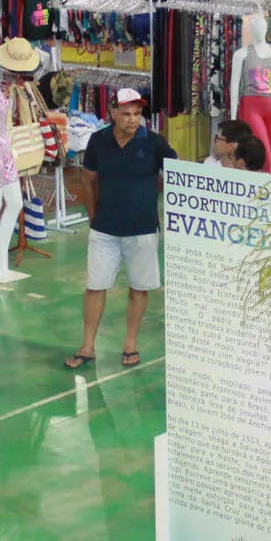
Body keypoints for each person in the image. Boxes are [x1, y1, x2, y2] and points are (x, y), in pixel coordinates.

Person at [66, 87, 176, 372]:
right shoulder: (98, 141)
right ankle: (87, 346)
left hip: (142, 229)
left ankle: (130, 343)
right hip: (105, 229)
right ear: (113, 113)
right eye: (126, 114)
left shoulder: (154, 143)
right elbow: (88, 180)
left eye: (137, 114)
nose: (132, 119)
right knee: (95, 286)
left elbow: (176, 176)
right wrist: (93, 215)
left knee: (139, 287)